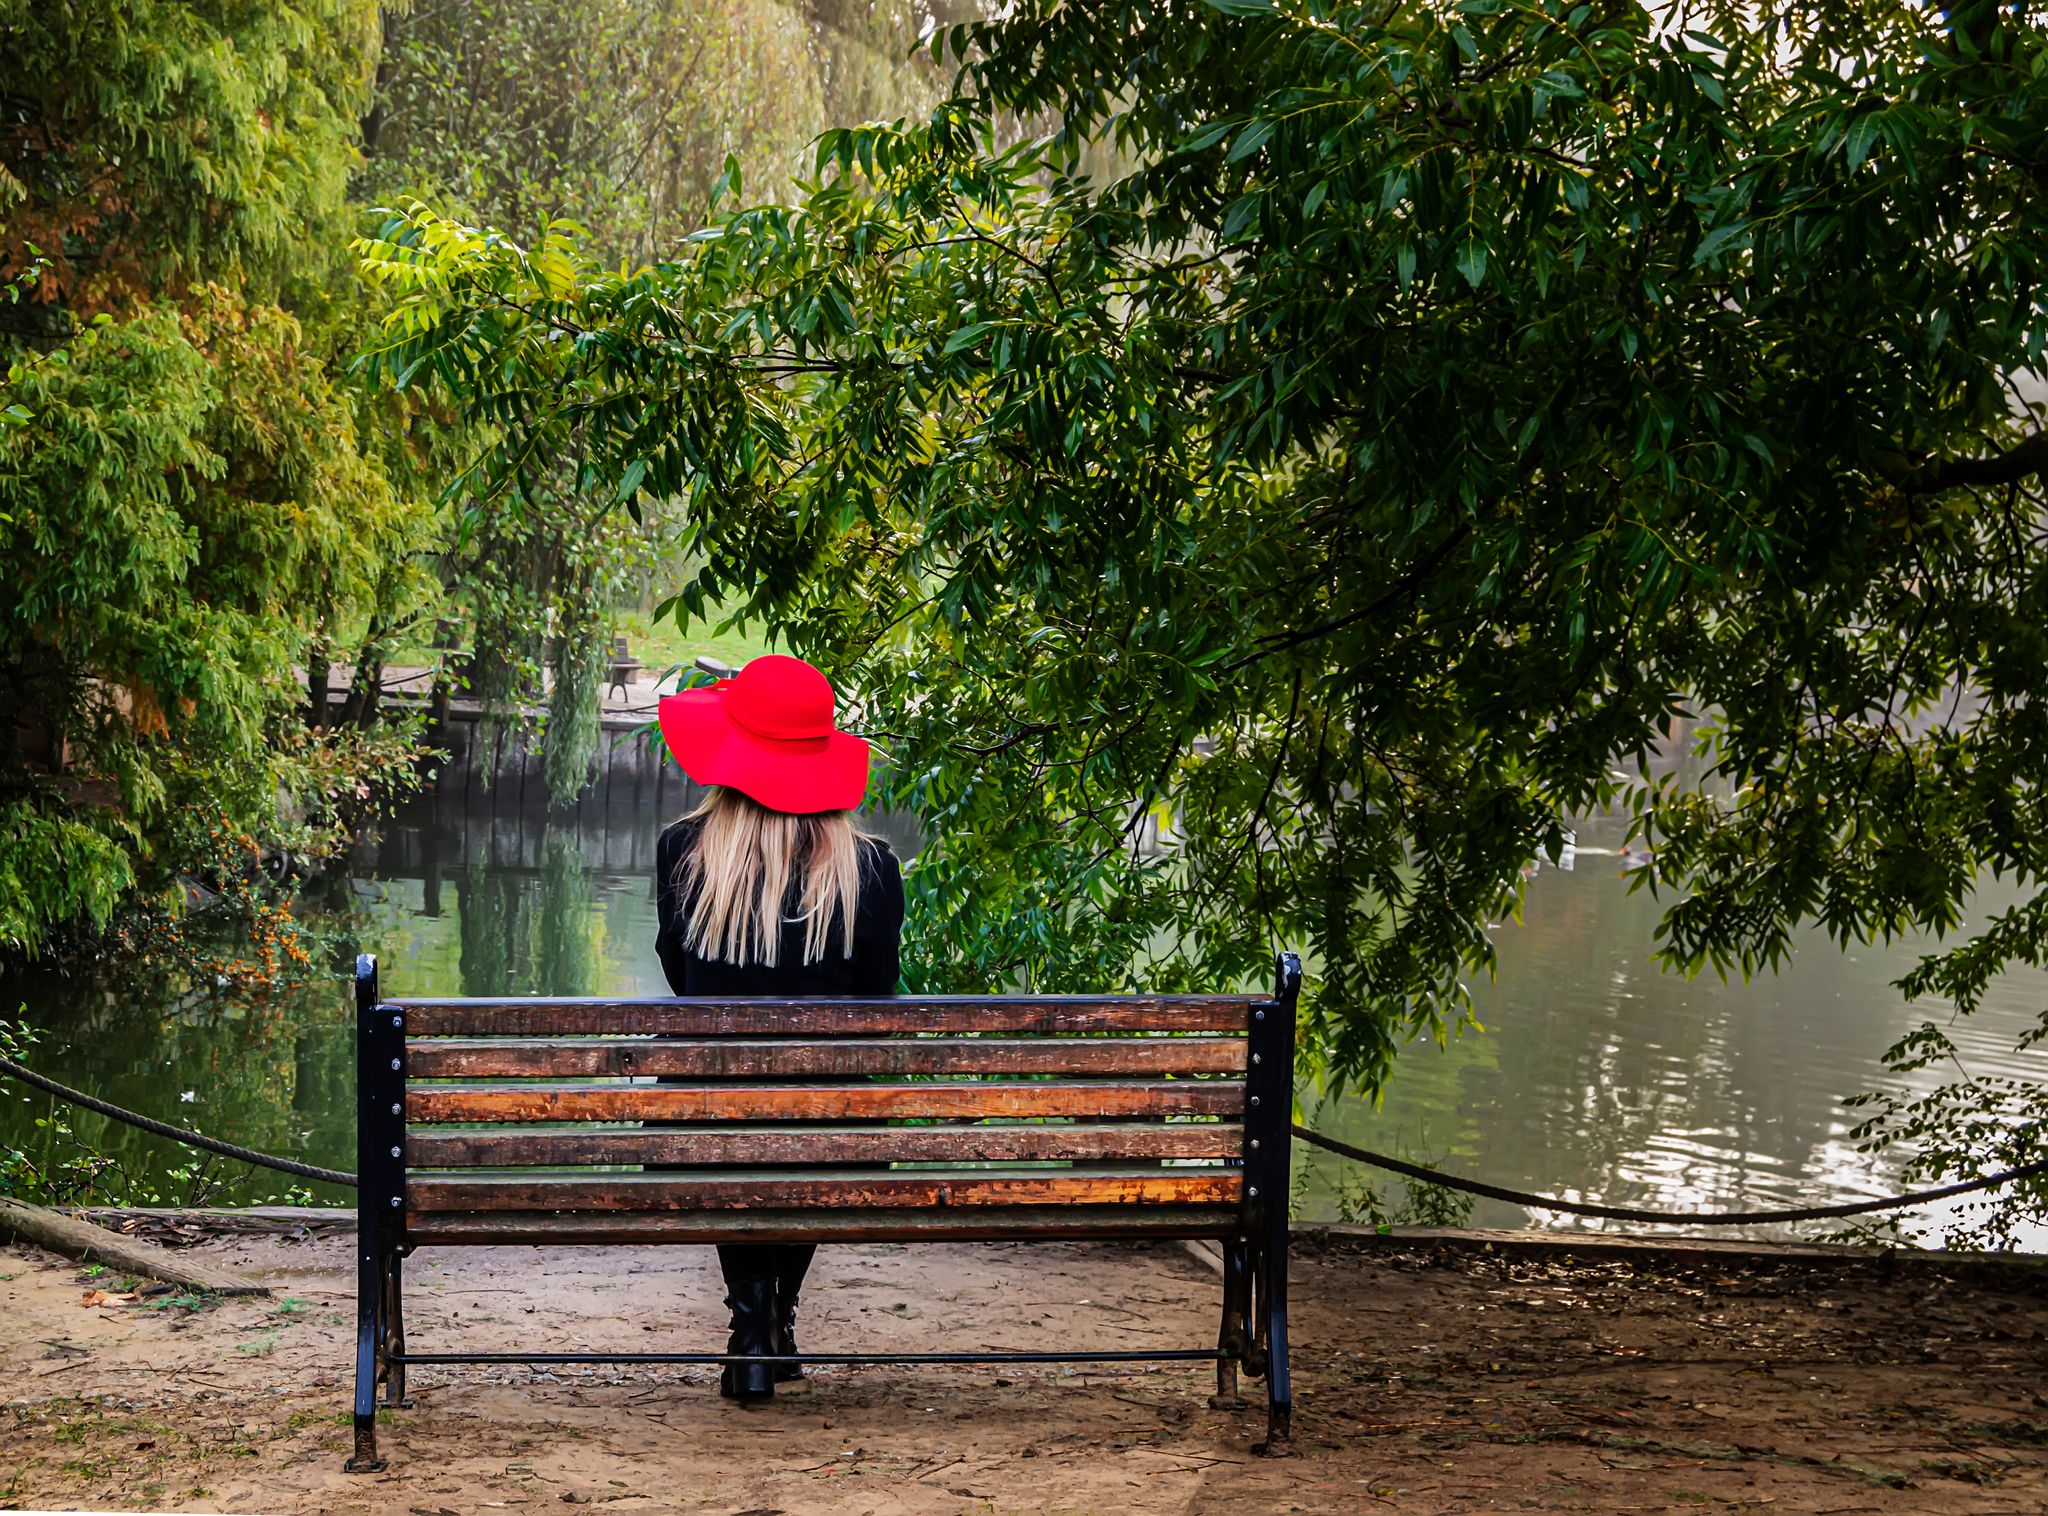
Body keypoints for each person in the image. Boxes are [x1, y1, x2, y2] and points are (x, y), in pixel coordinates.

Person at [652, 653, 904, 1403]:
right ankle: (773, 1320)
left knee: (730, 1127)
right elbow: (877, 997)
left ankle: (751, 1324)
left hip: (703, 1122)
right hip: (830, 1123)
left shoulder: (682, 853)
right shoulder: (872, 868)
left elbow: (679, 974)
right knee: (817, 1124)